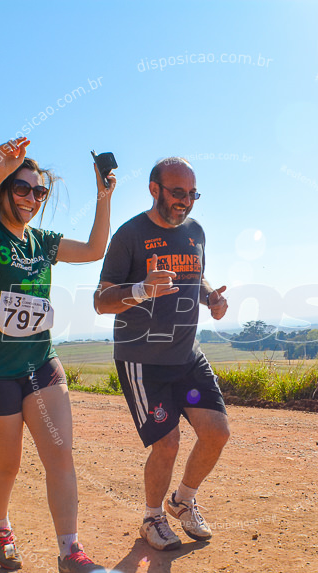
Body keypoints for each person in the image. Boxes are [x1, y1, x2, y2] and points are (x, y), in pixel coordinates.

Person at [0, 136, 116, 573]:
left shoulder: (43, 242)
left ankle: (70, 554)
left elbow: (96, 250)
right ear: (5, 191)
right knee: (7, 465)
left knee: (60, 454)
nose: (30, 198)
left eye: (38, 191)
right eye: (21, 188)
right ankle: (0, 526)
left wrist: (104, 196)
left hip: (39, 363)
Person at [94, 157, 231, 551]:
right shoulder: (129, 235)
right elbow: (101, 301)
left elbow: (196, 274)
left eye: (191, 194)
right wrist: (141, 290)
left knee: (217, 432)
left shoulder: (196, 232)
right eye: (177, 193)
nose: (185, 202)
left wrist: (211, 299)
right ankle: (152, 517)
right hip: (143, 361)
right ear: (154, 189)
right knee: (166, 442)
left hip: (187, 355)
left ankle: (182, 501)